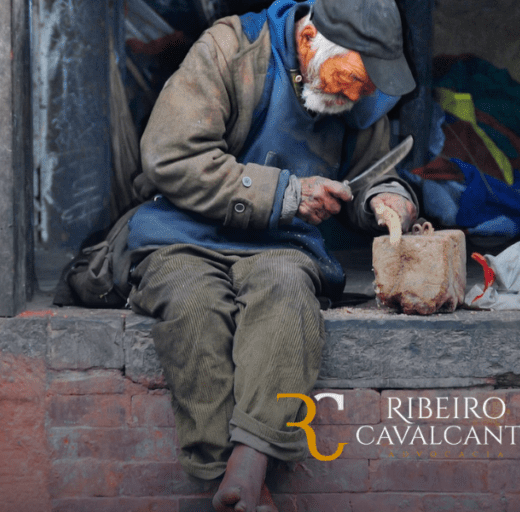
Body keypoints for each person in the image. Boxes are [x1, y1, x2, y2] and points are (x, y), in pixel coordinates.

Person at [123, 0, 418, 510]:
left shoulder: (358, 94)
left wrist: (386, 198)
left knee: (287, 295)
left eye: (366, 87)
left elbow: (370, 172)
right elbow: (171, 156)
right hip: (184, 231)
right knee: (193, 304)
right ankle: (231, 475)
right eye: (350, 78)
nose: (355, 95)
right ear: (308, 40)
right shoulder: (230, 48)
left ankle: (250, 460)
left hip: (282, 245)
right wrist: (286, 194)